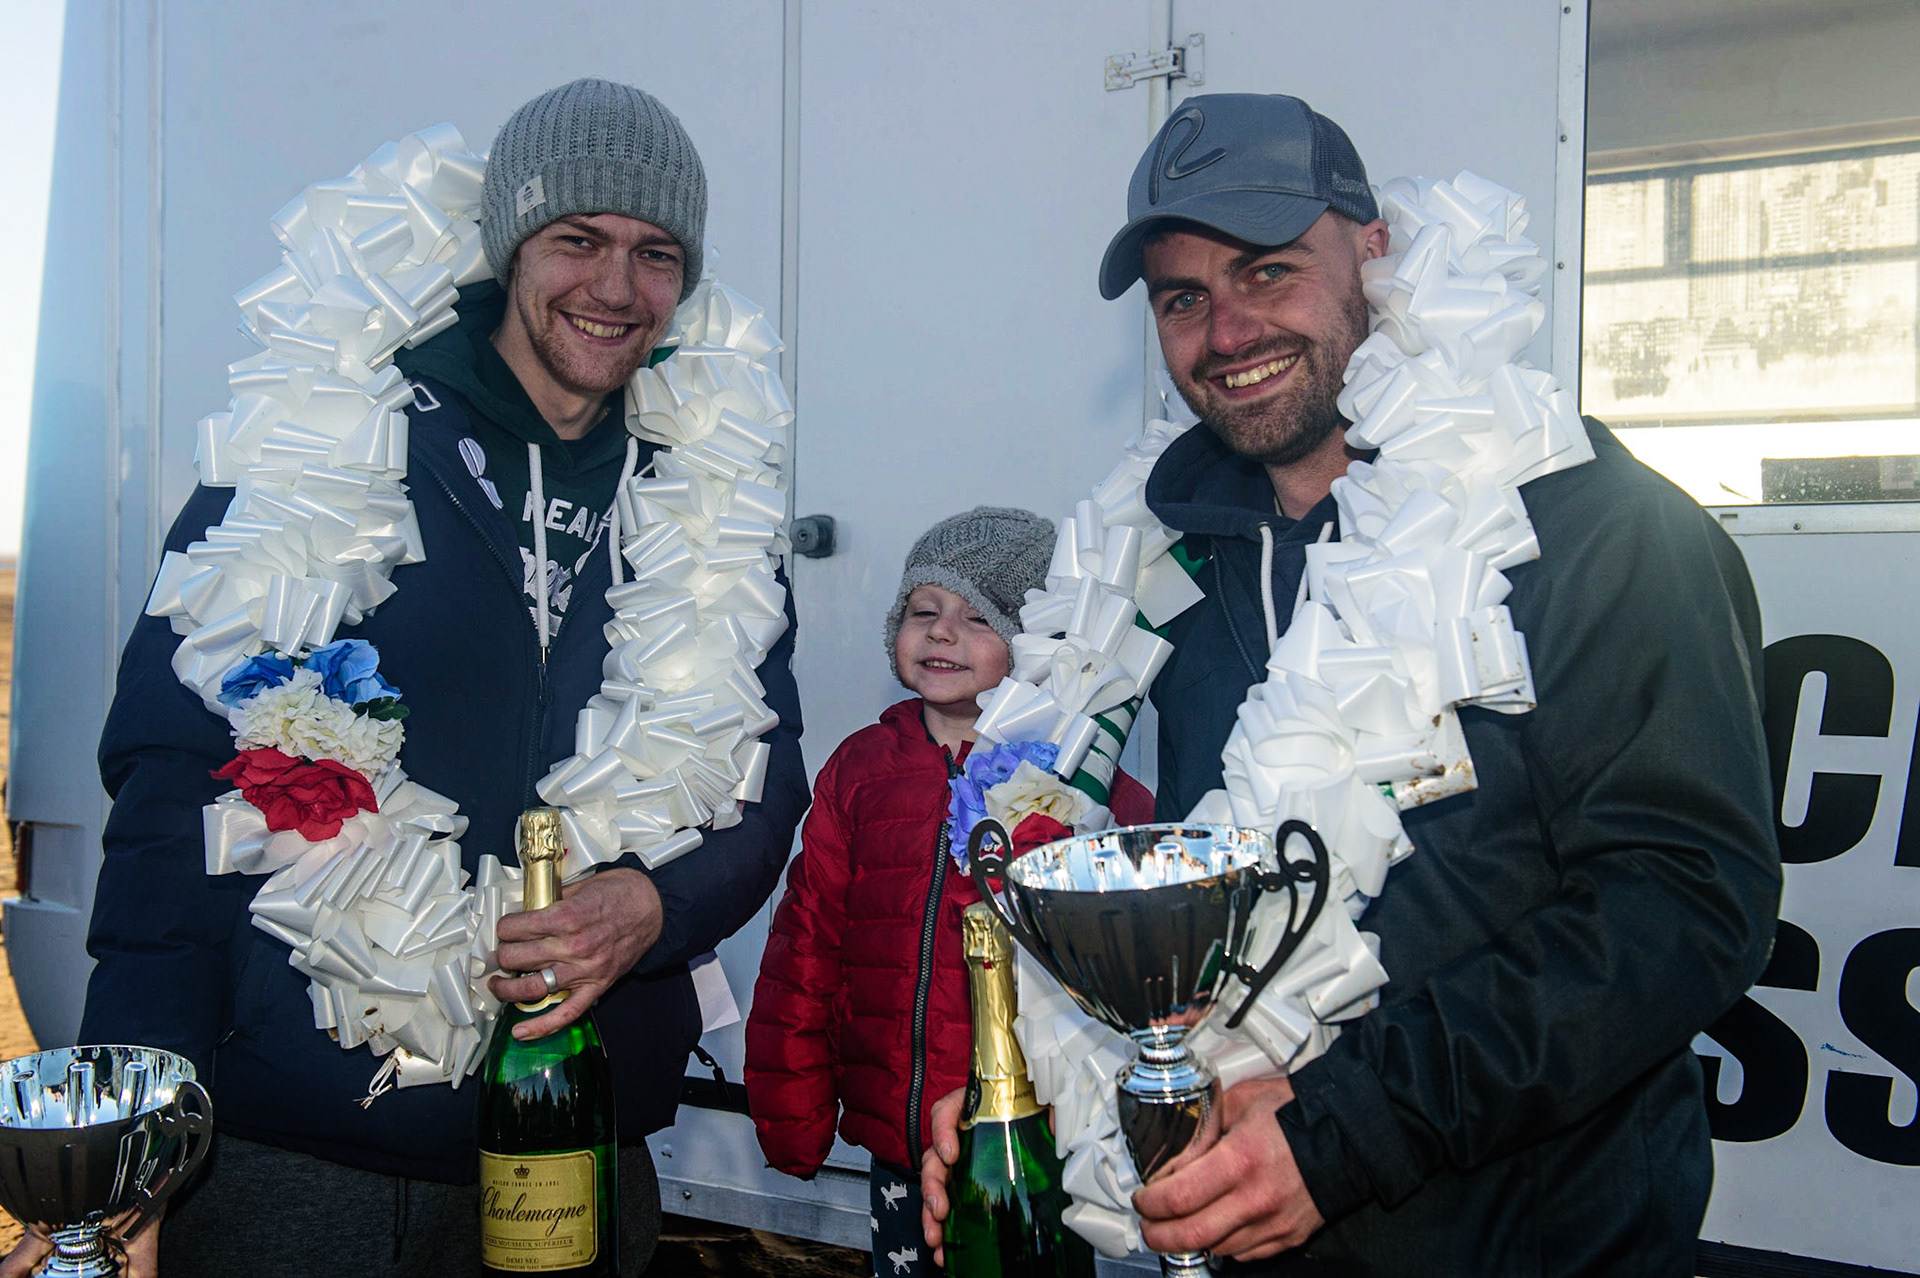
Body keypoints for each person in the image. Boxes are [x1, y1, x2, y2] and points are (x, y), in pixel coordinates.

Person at [920, 94, 1780, 1275]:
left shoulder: (1601, 531)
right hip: (1247, 1239)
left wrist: (1350, 1136)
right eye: (1183, 298)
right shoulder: (1165, 558)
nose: (1225, 332)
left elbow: (1685, 907)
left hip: (1539, 1239)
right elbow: (1163, 901)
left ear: (1372, 251)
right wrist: (1024, 1083)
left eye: (1267, 271)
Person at [25, 79, 809, 1278]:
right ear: (510, 246)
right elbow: (175, 798)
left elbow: (764, 793)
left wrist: (657, 907)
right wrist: (140, 1146)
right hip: (306, 1163)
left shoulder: (708, 492)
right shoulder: (322, 438)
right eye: (577, 240)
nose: (616, 287)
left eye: (657, 254)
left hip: (583, 1154)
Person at [744, 507, 1153, 1277]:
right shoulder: (860, 769)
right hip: (900, 1147)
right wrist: (792, 1114)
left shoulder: (1081, 787)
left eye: (979, 618)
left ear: (1035, 646)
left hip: (1033, 1143)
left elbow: (1125, 972)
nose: (940, 634)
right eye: (923, 612)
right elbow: (806, 944)